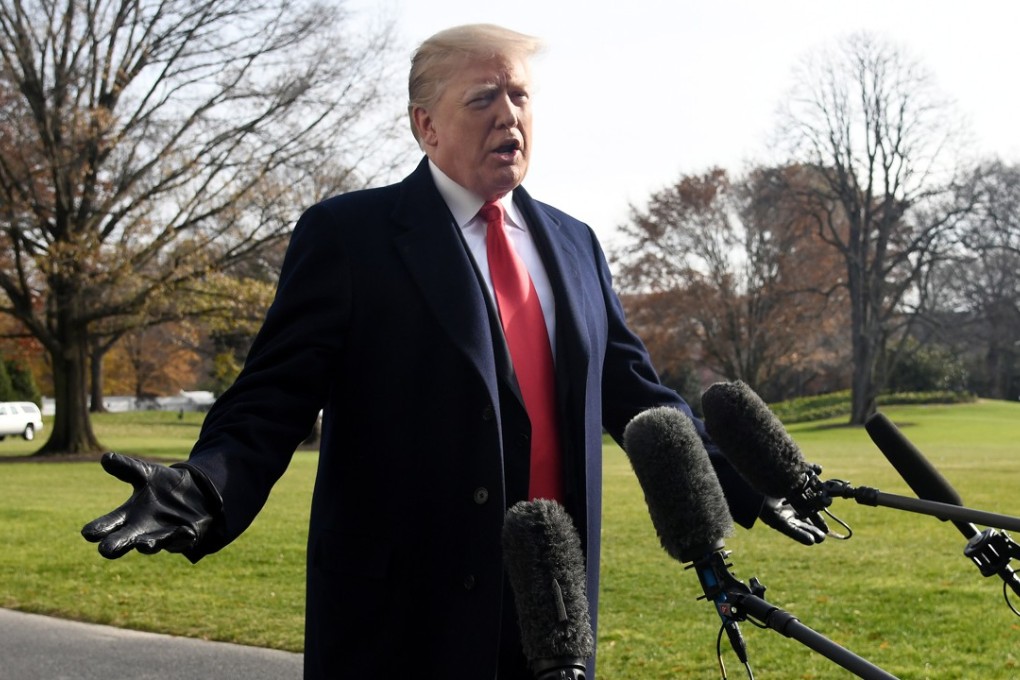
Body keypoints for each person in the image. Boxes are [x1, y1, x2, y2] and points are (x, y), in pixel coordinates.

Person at [82, 23, 825, 680]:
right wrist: (203, 489)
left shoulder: (575, 244)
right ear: (425, 124)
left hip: (553, 613)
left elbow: (637, 393)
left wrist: (747, 483)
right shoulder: (351, 238)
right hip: (405, 619)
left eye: (521, 97)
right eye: (483, 99)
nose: (509, 115)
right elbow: (271, 399)